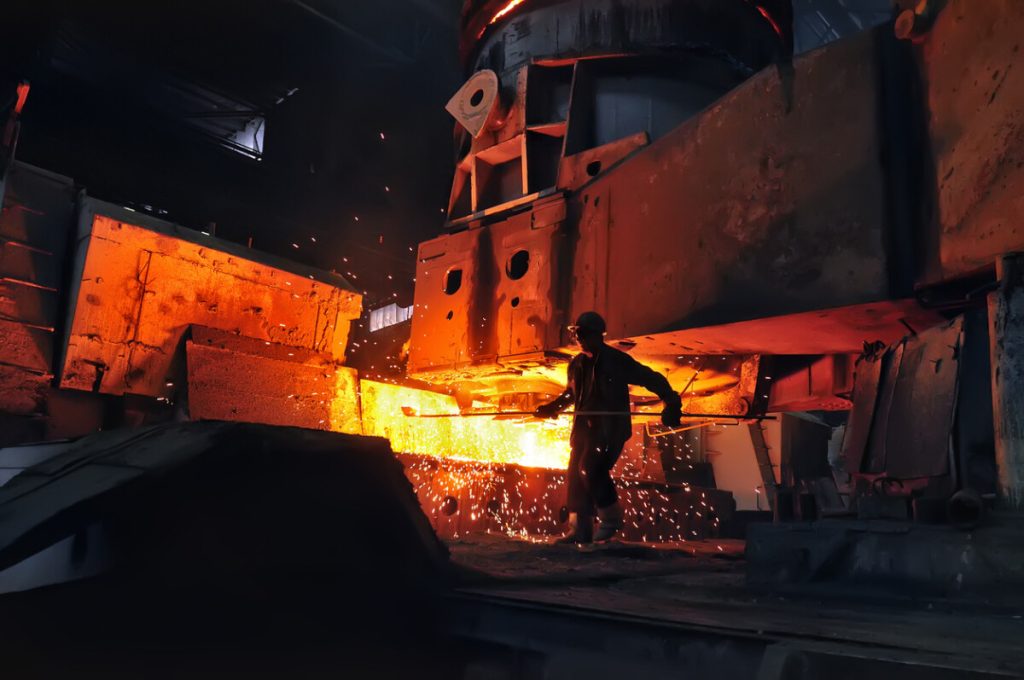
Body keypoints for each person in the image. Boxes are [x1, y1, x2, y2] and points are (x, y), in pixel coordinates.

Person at [534, 311, 683, 544]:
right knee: (575, 474)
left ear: (598, 335)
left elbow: (650, 378)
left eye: (584, 334)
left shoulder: (616, 361)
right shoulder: (576, 364)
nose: (579, 338)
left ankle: (611, 520)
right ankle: (579, 530)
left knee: (590, 468)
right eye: (577, 334)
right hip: (583, 430)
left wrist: (671, 400)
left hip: (609, 430)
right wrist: (551, 408)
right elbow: (571, 394)